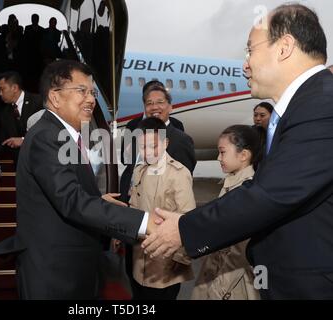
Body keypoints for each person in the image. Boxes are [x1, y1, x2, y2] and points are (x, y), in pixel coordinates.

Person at [142, 4, 333, 299]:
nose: (245, 63)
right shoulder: (304, 106)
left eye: (250, 50)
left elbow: (271, 194)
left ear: (284, 47)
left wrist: (184, 229)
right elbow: (260, 186)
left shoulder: (323, 104)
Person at [0, 59, 157, 299]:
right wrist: (144, 223)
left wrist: (98, 199)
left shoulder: (63, 136)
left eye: (92, 92)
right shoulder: (47, 137)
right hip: (54, 276)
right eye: (81, 91)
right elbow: (71, 200)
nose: (91, 99)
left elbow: (65, 192)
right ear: (55, 97)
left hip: (71, 268)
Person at [128, 117, 195, 300]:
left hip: (165, 262)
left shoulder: (178, 174)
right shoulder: (139, 170)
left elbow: (187, 218)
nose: (148, 152)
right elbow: (134, 205)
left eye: (153, 146)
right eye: (143, 147)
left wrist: (179, 259)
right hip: (139, 256)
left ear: (165, 143)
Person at [191, 125, 261, 300]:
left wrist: (220, 289)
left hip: (231, 285)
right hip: (215, 273)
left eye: (222, 152)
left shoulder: (246, 192)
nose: (218, 158)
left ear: (243, 155)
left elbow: (239, 252)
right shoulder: (232, 183)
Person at [120, 80, 196, 203]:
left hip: (160, 209)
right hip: (130, 202)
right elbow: (129, 165)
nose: (154, 107)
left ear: (170, 107)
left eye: (160, 102)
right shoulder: (136, 131)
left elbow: (184, 181)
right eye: (149, 103)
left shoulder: (182, 140)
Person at [0, 71, 43, 158]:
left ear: (14, 88)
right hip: (20, 164)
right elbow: (4, 140)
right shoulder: (5, 113)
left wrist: (23, 140)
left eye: (2, 89)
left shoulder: (38, 102)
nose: (0, 93)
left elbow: (47, 131)